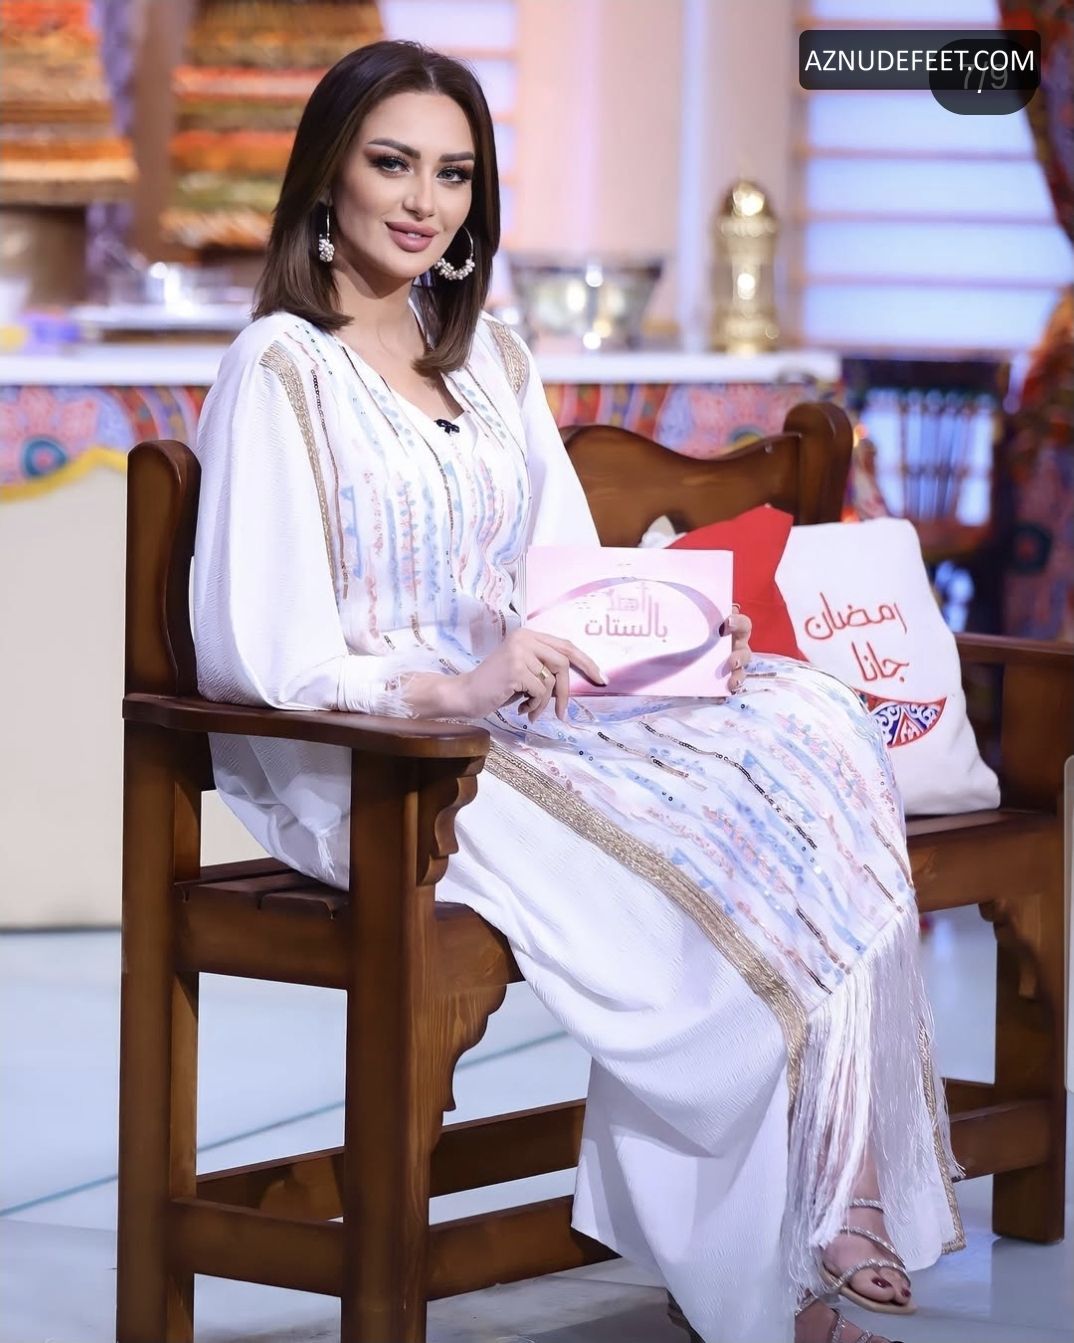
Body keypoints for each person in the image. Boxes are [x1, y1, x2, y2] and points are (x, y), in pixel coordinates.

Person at [191, 39, 961, 1343]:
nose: (423, 201)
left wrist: (664, 636)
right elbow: (261, 652)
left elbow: (560, 575)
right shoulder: (280, 371)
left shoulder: (491, 357)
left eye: (452, 173)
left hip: (525, 721)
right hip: (379, 757)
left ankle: (837, 1177)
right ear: (326, 176)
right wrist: (452, 684)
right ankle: (782, 1267)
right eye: (392, 164)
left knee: (803, 718)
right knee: (708, 885)